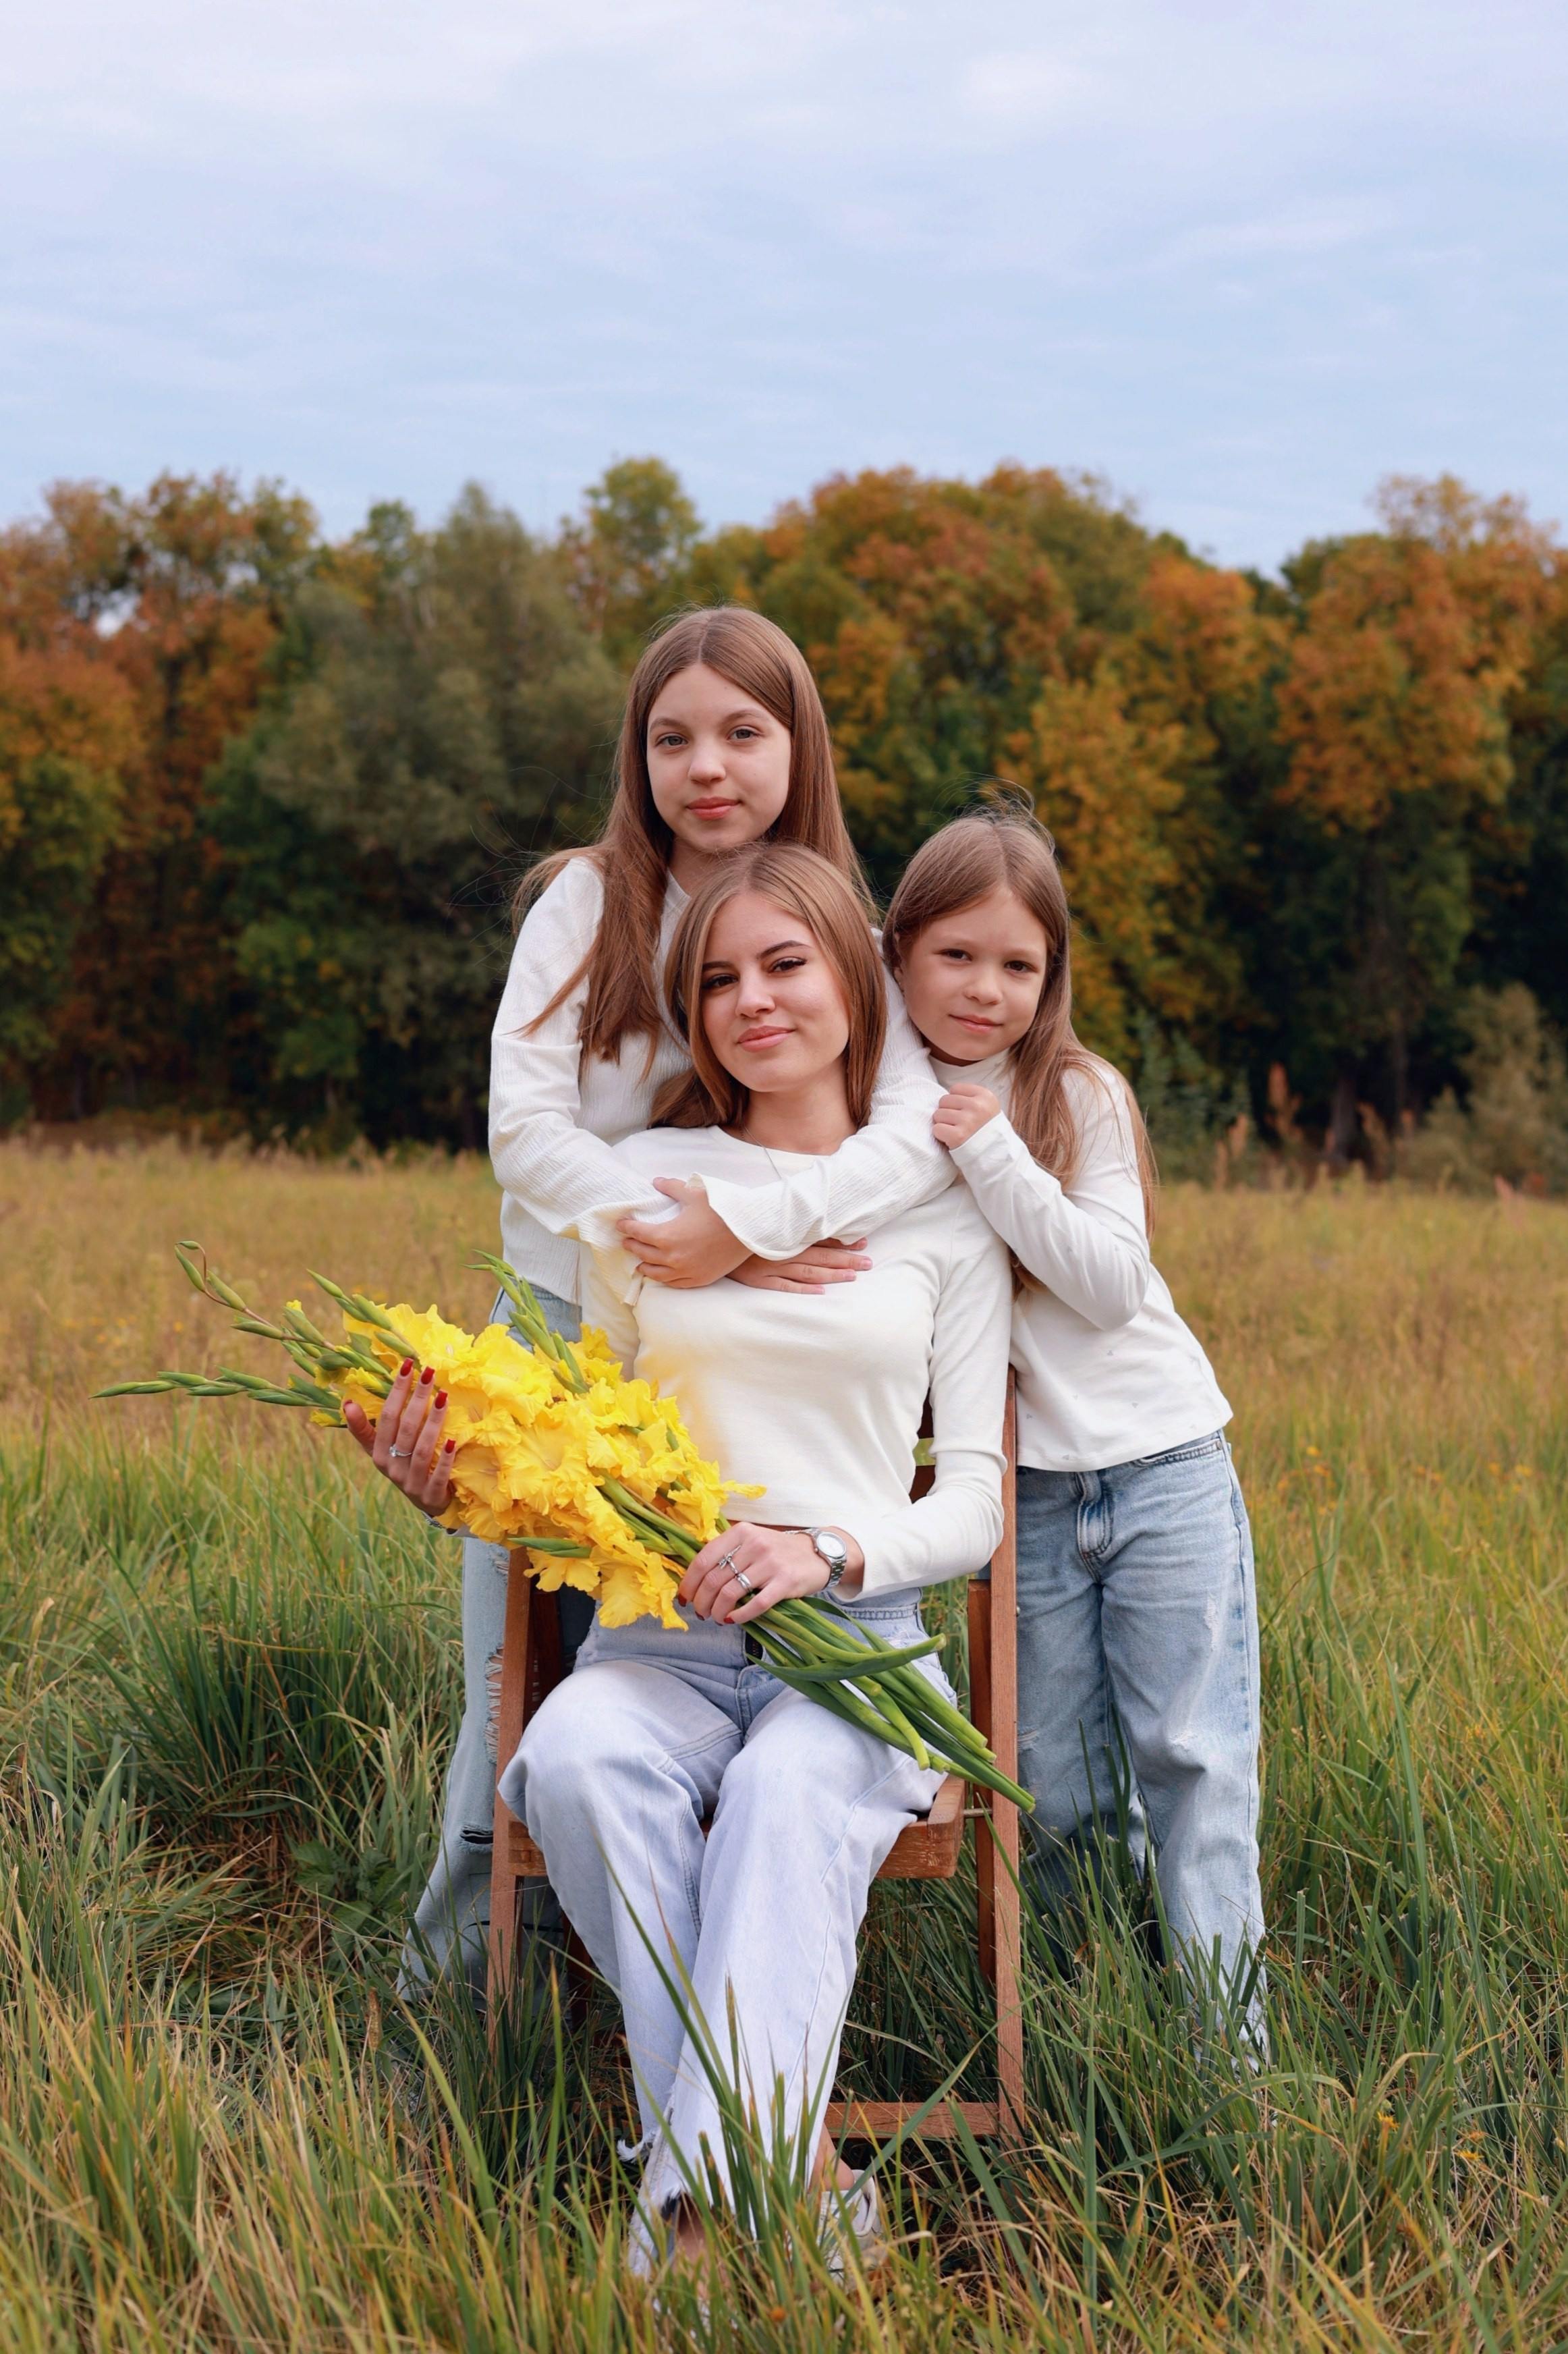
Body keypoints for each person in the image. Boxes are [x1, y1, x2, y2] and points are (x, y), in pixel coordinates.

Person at [355, 844, 1011, 2264]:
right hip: (657, 1646)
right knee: (574, 1755)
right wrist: (450, 1488)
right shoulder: (646, 1191)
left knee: (786, 1786)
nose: (752, 999)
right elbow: (579, 1452)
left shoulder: (938, 1207)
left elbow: (974, 1500)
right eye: (718, 979)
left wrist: (826, 1548)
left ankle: (693, 2220)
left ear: (856, 981)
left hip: (852, 1657)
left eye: (785, 964)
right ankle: (799, 2181)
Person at [404, 608, 952, 1995]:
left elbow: (905, 1137)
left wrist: (755, 1227)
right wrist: (688, 1244)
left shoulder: (846, 929)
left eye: (742, 732)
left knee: (694, 1657)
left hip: (766, 1347)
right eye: (671, 738)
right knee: (516, 1684)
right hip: (570, 1332)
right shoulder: (590, 902)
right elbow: (524, 1132)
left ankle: (704, 1981)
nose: (706, 766)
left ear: (799, 745)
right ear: (637, 759)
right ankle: (468, 1990)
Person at [883, 809, 1266, 2041]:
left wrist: (994, 1152)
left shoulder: (1075, 1094)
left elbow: (1108, 1285)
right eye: (955, 955)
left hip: (1160, 1464)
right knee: (1054, 1786)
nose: (984, 989)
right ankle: (1088, 2034)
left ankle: (1225, 2059)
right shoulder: (876, 1099)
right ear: (897, 949)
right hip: (1028, 1494)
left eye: (1018, 965)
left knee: (1193, 1762)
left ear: (1051, 979)